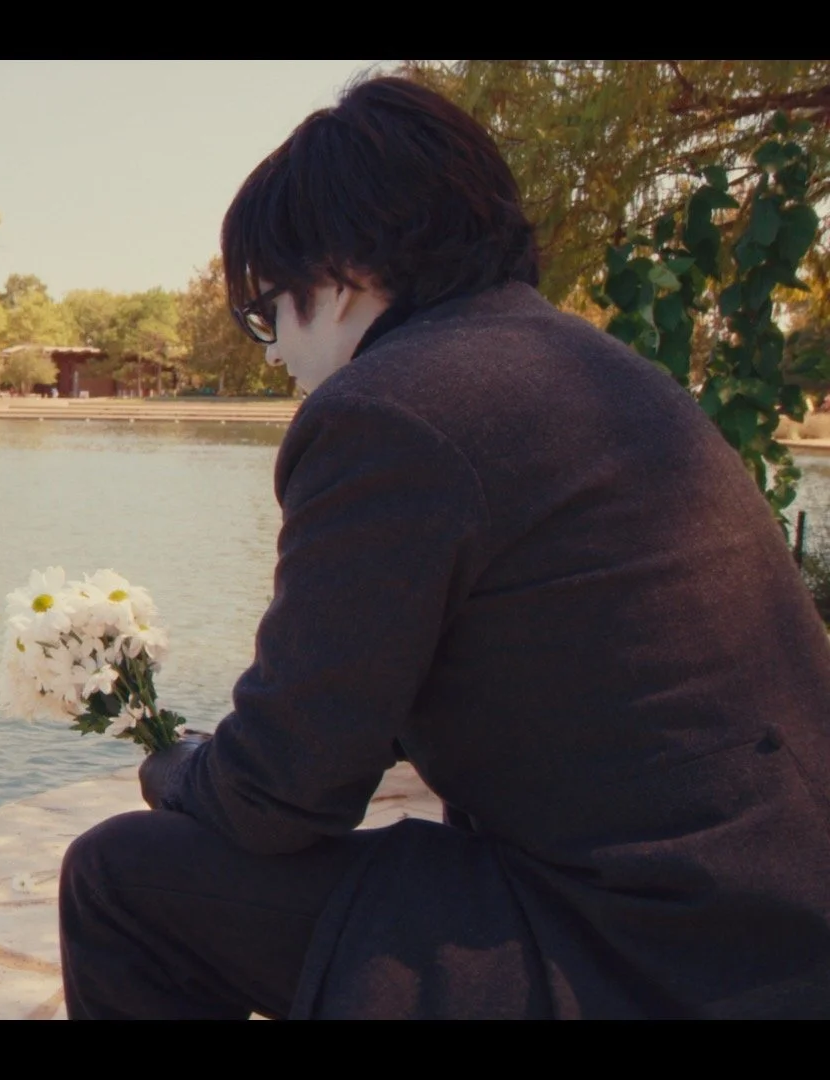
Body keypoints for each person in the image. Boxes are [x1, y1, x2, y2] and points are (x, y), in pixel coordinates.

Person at [58, 76, 830, 1020]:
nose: (269, 353)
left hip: (657, 956)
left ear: (346, 268)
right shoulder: (592, 368)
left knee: (122, 880)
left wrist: (173, 767)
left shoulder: (390, 412)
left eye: (265, 311)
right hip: (771, 916)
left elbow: (281, 791)